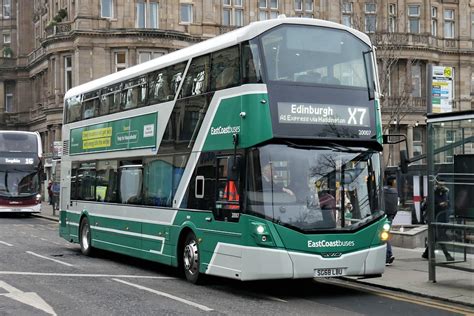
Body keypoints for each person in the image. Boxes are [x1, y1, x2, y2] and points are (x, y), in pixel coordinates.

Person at [422, 182, 454, 261]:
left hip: (442, 219)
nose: (442, 186)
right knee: (439, 236)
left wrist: (446, 204)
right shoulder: (431, 194)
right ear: (436, 185)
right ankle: (447, 255)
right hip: (433, 219)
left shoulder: (445, 193)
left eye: (443, 184)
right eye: (440, 184)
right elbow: (429, 208)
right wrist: (439, 205)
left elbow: (449, 205)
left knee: (435, 237)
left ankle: (426, 253)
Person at [383, 176, 398, 265]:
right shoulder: (394, 192)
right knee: (385, 234)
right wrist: (392, 216)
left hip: (382, 216)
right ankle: (388, 254)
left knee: (384, 235)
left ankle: (388, 255)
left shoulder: (382, 191)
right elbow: (395, 207)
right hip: (390, 217)